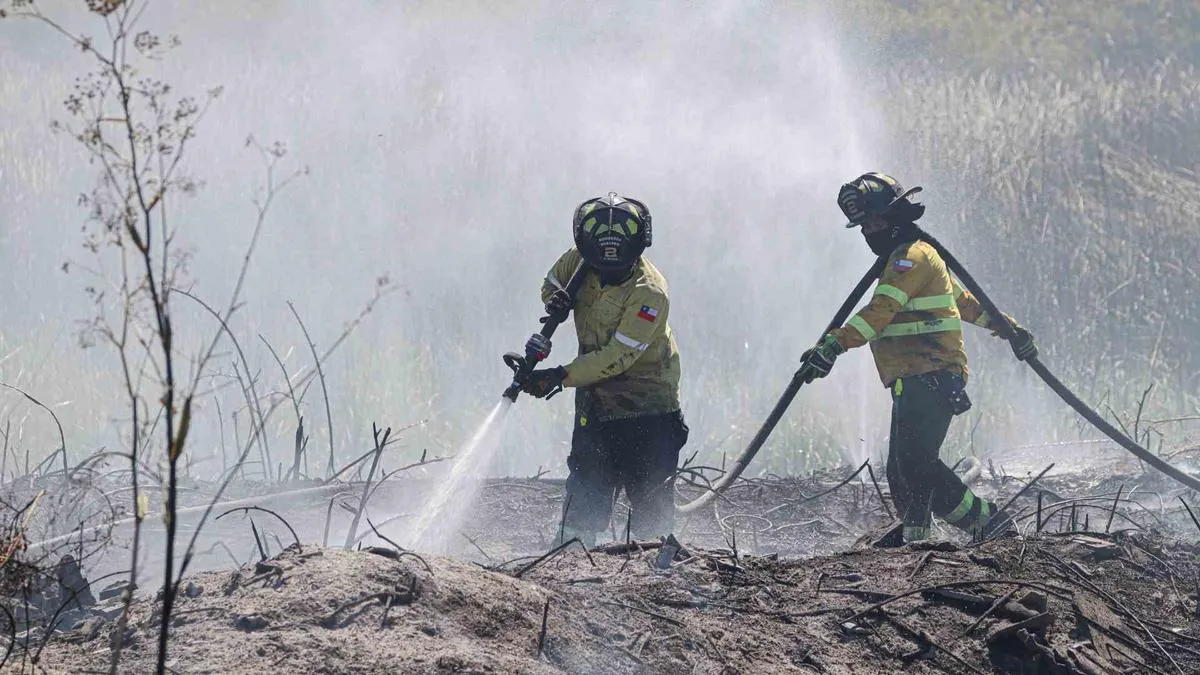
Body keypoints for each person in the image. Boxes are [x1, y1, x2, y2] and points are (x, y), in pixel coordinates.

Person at [803, 172, 1038, 544]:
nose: (869, 232)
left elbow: (879, 313)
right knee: (901, 469)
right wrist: (1007, 328)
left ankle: (989, 525)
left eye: (874, 222)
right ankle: (917, 540)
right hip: (915, 378)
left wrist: (833, 346)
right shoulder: (911, 258)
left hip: (932, 375)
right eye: (863, 225)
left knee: (916, 464)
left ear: (896, 215)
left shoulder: (910, 259)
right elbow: (963, 303)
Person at [520, 193, 688, 547]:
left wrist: (558, 376)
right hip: (596, 404)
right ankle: (569, 559)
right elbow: (551, 280)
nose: (607, 268)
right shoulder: (579, 261)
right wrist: (555, 298)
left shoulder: (650, 292)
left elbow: (618, 356)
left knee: (650, 513)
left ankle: (657, 578)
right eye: (601, 260)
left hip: (649, 409)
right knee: (585, 491)